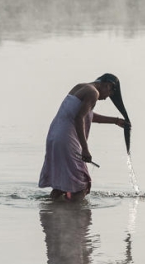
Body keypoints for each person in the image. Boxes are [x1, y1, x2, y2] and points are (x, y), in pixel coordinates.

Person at [39, 73, 130, 201]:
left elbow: (86, 114)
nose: (106, 98)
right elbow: (79, 118)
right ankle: (75, 212)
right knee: (81, 185)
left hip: (54, 136)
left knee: (61, 185)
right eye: (110, 94)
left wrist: (115, 121)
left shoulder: (81, 86)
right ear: (107, 85)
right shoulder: (93, 93)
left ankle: (51, 208)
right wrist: (85, 149)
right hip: (66, 139)